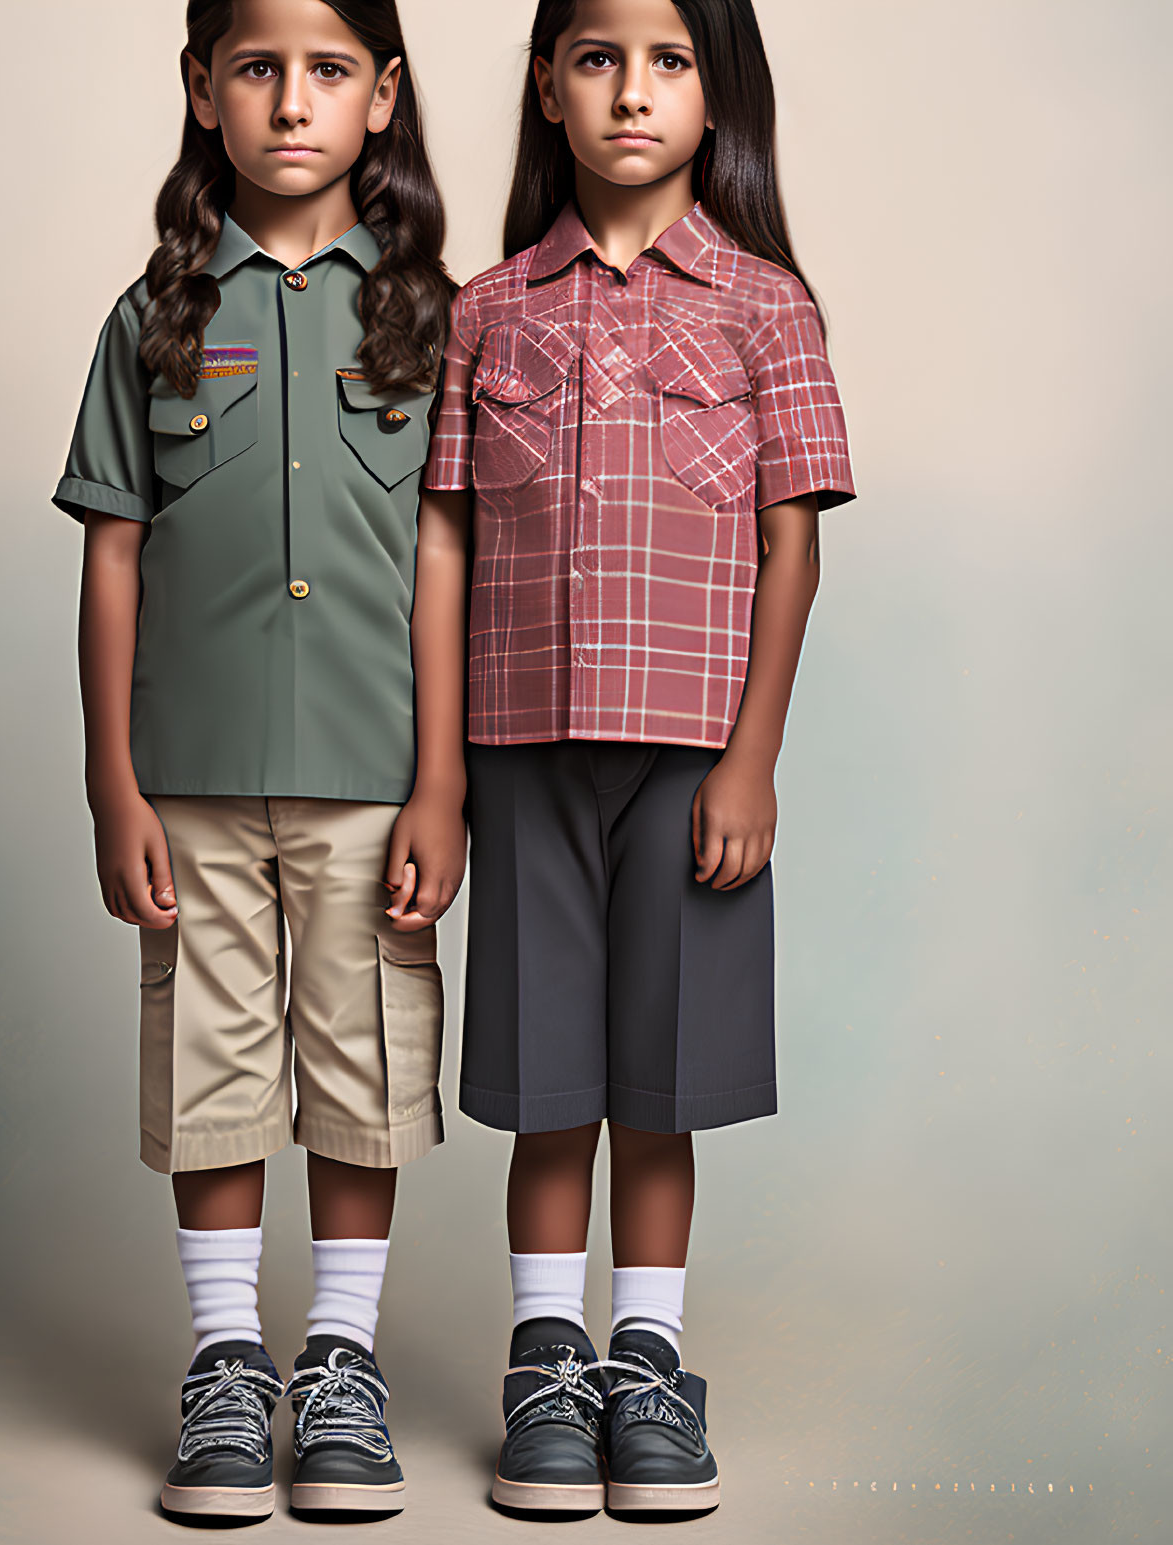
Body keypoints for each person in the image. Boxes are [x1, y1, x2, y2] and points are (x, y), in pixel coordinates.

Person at [420, 0, 856, 1516]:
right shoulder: (491, 311)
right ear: (549, 85)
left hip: (690, 763)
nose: (632, 92)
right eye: (599, 57)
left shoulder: (764, 307)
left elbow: (790, 544)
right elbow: (446, 543)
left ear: (718, 94)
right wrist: (441, 774)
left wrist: (754, 760)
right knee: (552, 1081)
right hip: (523, 749)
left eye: (670, 61)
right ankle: (548, 1363)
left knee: (656, 1086)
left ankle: (650, 1363)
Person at [52, 0, 466, 1520]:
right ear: (203, 89)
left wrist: (445, 779)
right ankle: (228, 1363)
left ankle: (340, 1362)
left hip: (376, 772)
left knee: (360, 1056)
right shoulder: (148, 316)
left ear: (382, 96)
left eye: (330, 70)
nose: (293, 102)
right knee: (216, 1063)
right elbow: (112, 553)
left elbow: (441, 548)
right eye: (257, 68)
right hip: (194, 776)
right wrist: (114, 781)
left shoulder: (431, 313)